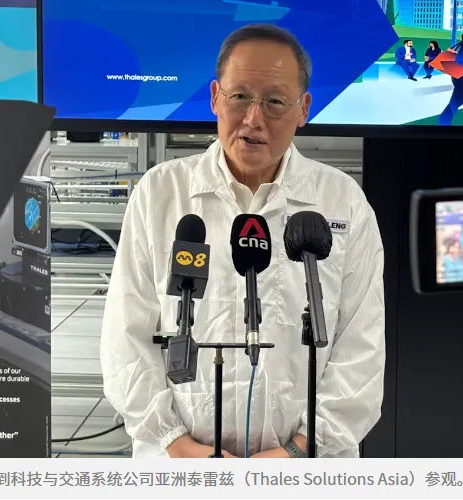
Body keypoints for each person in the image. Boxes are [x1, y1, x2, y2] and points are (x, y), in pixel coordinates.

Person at [100, 24, 386, 459]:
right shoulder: (160, 194)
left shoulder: (343, 201)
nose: (254, 119)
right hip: (179, 463)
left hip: (308, 466)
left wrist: (297, 452)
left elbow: (361, 348)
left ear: (303, 109)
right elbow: (125, 338)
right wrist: (177, 444)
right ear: (215, 97)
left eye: (274, 102)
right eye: (240, 97)